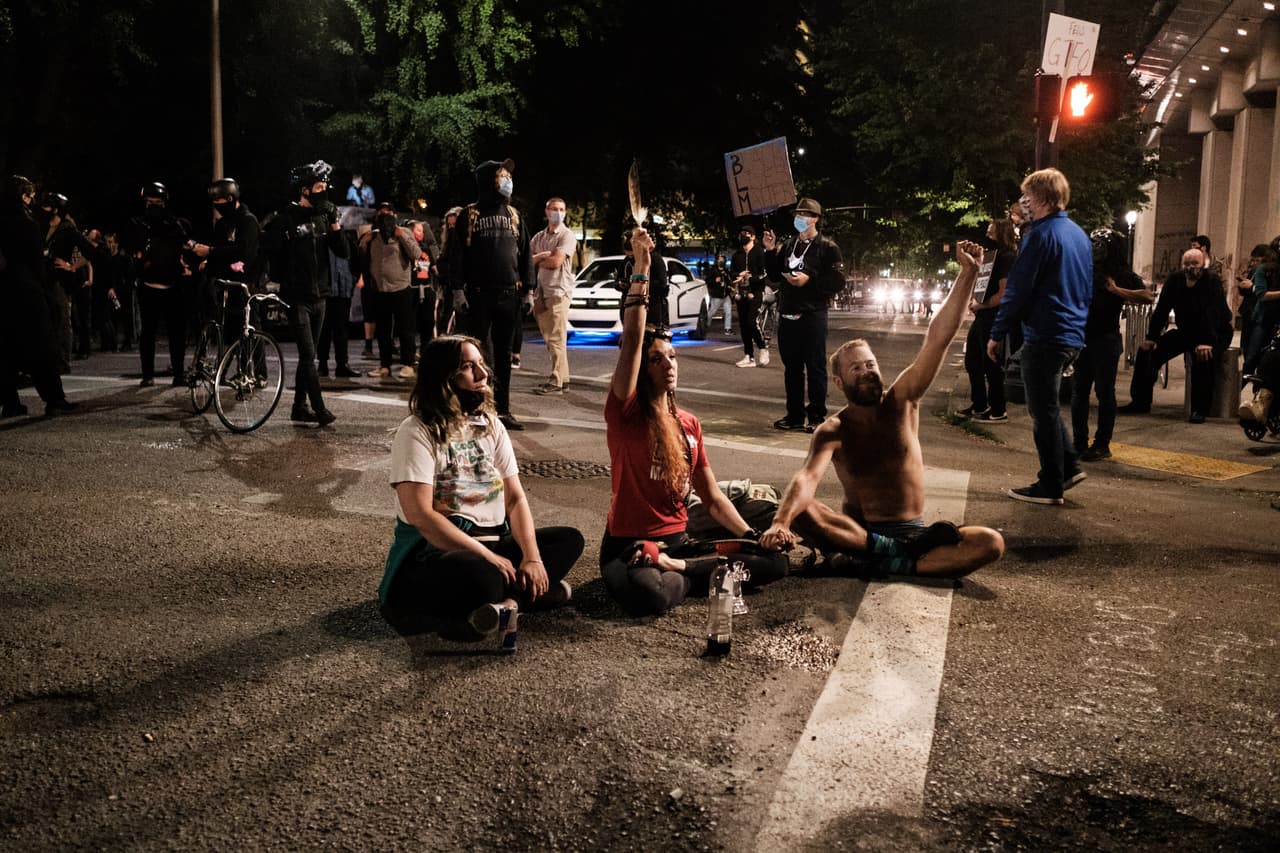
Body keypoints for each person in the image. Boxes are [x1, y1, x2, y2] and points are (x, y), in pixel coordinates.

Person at [760, 241, 1004, 579]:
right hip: (859, 534)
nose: (867, 371)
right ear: (838, 381)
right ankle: (892, 558)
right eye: (856, 369)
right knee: (800, 509)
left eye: (870, 364)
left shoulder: (902, 401)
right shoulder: (833, 429)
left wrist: (969, 273)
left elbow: (938, 338)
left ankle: (888, 559)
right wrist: (780, 523)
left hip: (913, 533)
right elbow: (807, 478)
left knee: (990, 542)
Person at [600, 228, 787, 616]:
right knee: (648, 595)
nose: (669, 365)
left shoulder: (689, 423)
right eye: (657, 360)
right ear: (641, 368)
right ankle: (699, 574)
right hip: (631, 546)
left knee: (776, 562)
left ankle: (684, 570)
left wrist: (753, 538)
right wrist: (642, 266)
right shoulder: (626, 411)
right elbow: (633, 337)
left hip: (679, 544)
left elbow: (714, 499)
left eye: (673, 357)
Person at [377, 334, 583, 638]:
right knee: (480, 574)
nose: (482, 373)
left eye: (481, 364)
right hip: (436, 555)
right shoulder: (417, 431)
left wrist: (531, 557)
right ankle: (528, 596)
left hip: (492, 545)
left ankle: (507, 606)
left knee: (568, 541)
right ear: (444, 378)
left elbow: (515, 499)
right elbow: (421, 515)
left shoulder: (490, 425)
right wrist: (489, 557)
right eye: (467, 367)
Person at [987, 168, 1092, 505]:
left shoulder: (1040, 235)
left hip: (1046, 332)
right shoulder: (1078, 235)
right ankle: (1068, 467)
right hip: (1072, 332)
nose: (1023, 203)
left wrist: (997, 331)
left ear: (1043, 199)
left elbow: (1018, 289)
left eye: (1028, 197)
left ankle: (1051, 484)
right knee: (1048, 407)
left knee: (1042, 411)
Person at [445, 159, 531, 431]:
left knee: (505, 355)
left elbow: (526, 253)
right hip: (479, 295)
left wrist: (528, 288)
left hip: (508, 295)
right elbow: (456, 255)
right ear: (487, 181)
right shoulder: (469, 215)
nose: (507, 181)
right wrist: (457, 289)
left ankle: (502, 410)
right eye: (501, 176)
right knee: (478, 356)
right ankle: (479, 406)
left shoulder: (514, 215)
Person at [260, 160, 346, 425]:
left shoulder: (323, 217)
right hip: (297, 296)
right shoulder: (285, 218)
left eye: (325, 186)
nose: (324, 192)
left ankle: (299, 406)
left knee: (309, 355)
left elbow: (343, 252)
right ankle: (319, 409)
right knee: (308, 354)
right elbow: (270, 252)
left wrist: (334, 223)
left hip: (320, 294)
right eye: (319, 187)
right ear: (305, 190)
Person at [1119, 247, 1232, 423]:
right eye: (1186, 264)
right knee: (1147, 353)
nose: (1190, 267)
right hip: (1187, 331)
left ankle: (1199, 409)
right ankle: (1140, 401)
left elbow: (1214, 312)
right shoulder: (1175, 280)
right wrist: (1151, 338)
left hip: (1215, 333)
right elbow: (1162, 309)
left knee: (1203, 359)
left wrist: (1206, 341)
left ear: (1203, 265)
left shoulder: (1212, 281)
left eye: (1195, 263)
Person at [762, 197, 845, 432]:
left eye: (804, 215)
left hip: (813, 316)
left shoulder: (827, 247)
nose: (799, 219)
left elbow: (838, 281)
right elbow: (775, 275)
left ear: (815, 219)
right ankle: (795, 415)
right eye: (797, 215)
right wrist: (770, 250)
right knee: (792, 369)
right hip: (787, 314)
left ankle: (817, 415)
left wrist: (810, 280)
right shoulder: (789, 245)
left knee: (815, 367)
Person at [1071, 228, 1153, 461]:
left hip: (1106, 338)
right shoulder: (1085, 269)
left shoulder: (1119, 272)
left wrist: (1117, 290)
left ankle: (1102, 443)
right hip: (1082, 337)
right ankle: (1079, 442)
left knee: (1104, 392)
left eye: (1098, 244)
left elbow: (1146, 296)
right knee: (1079, 392)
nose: (1094, 248)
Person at [0, 175, 77, 418]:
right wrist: (47, 293)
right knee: (42, 345)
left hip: (4, 289)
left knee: (7, 349)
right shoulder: (26, 223)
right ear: (23, 196)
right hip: (27, 289)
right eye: (30, 195)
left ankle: (10, 402)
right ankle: (54, 399)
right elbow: (36, 263)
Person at [121, 182, 195, 388]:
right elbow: (131, 249)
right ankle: (147, 375)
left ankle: (178, 373)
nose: (153, 206)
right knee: (148, 334)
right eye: (149, 202)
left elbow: (187, 244)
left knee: (176, 333)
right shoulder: (138, 224)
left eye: (157, 202)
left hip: (173, 285)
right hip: (149, 285)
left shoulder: (176, 224)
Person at [191, 178, 261, 356]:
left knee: (250, 328)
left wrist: (211, 251)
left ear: (230, 199)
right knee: (231, 332)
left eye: (218, 201)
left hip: (246, 282)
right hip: (226, 282)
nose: (216, 205)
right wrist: (208, 260)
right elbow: (219, 248)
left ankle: (258, 372)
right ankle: (233, 369)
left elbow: (244, 250)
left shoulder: (248, 221)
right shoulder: (222, 224)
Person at [960, 219, 1018, 421]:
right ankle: (979, 404)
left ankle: (998, 408)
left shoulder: (1007, 258)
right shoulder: (992, 257)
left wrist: (980, 305)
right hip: (982, 315)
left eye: (991, 232)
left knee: (991, 363)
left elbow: (1004, 294)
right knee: (972, 361)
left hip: (994, 316)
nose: (987, 235)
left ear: (1001, 233)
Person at [362, 203, 421, 380]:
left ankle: (407, 364)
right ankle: (384, 365)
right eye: (380, 213)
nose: (384, 216)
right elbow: (364, 259)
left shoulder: (404, 232)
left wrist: (402, 236)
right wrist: (363, 243)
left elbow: (416, 254)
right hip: (380, 289)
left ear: (394, 215)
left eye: (387, 212)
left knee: (405, 329)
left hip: (401, 288)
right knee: (383, 331)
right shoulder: (373, 236)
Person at [529, 197, 577, 395]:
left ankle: (556, 380)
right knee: (551, 337)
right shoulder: (539, 237)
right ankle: (563, 377)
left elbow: (555, 262)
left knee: (556, 338)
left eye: (562, 209)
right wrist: (540, 258)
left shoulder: (567, 236)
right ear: (547, 211)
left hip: (559, 291)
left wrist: (538, 259)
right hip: (541, 291)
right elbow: (526, 261)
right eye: (554, 208)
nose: (558, 212)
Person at [730, 225, 769, 367]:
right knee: (743, 325)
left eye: (746, 234)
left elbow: (764, 272)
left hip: (756, 292)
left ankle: (763, 347)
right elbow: (732, 273)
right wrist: (738, 276)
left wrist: (751, 277)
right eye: (741, 233)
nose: (743, 236)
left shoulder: (759, 253)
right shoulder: (737, 255)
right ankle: (749, 356)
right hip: (741, 293)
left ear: (753, 236)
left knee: (752, 322)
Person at [1243, 237, 1280, 379]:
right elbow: (1262, 294)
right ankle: (1236, 392)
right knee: (1252, 357)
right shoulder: (1263, 270)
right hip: (1264, 319)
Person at [1236, 244, 1268, 375]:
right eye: (1253, 260)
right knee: (1245, 345)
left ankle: (1246, 378)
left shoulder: (1267, 272)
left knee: (1253, 353)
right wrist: (1242, 286)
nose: (1254, 263)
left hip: (1260, 315)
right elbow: (1246, 293)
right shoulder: (1254, 271)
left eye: (1257, 261)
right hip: (1248, 312)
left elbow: (1263, 292)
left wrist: (1253, 286)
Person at [705, 255, 733, 334]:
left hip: (725, 295)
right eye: (719, 260)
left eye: (722, 260)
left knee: (728, 312)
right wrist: (715, 280)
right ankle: (705, 325)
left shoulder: (726, 271)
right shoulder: (713, 270)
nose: (720, 262)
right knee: (712, 312)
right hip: (717, 295)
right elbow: (707, 281)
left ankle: (728, 329)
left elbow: (729, 281)